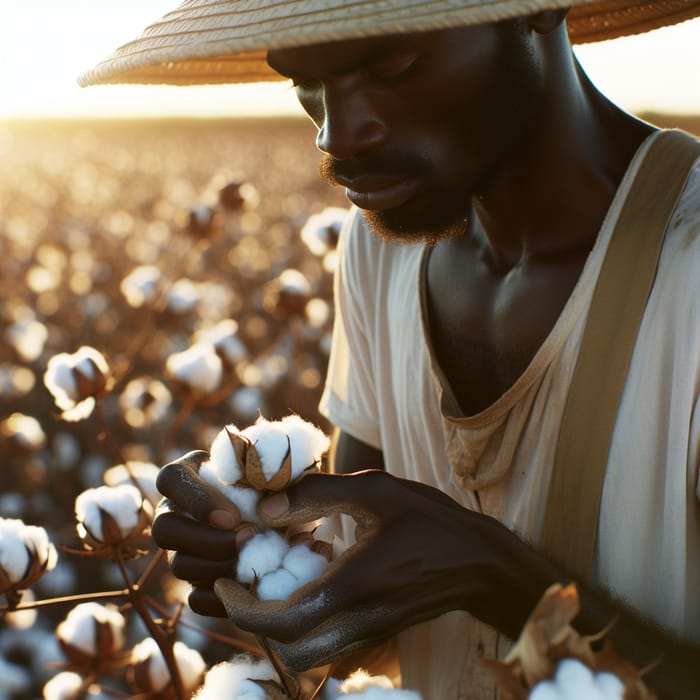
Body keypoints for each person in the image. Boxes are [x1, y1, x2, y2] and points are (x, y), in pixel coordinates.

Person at [80, 1, 700, 697]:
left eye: (392, 64)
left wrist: (495, 579)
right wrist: (269, 549)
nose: (337, 137)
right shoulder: (378, 252)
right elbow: (372, 615)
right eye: (303, 83)